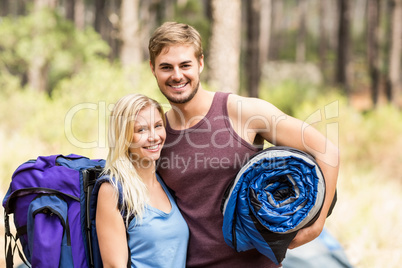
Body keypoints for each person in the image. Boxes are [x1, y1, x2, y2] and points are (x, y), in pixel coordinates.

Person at [149, 22, 339, 268]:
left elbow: (327, 151)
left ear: (200, 64)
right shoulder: (157, 136)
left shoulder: (242, 111)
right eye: (166, 67)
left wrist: (317, 225)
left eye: (185, 65)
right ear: (153, 69)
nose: (177, 75)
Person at [95, 93, 189, 267]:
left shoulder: (164, 182)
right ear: (124, 137)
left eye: (158, 126)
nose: (154, 137)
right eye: (141, 130)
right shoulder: (112, 190)